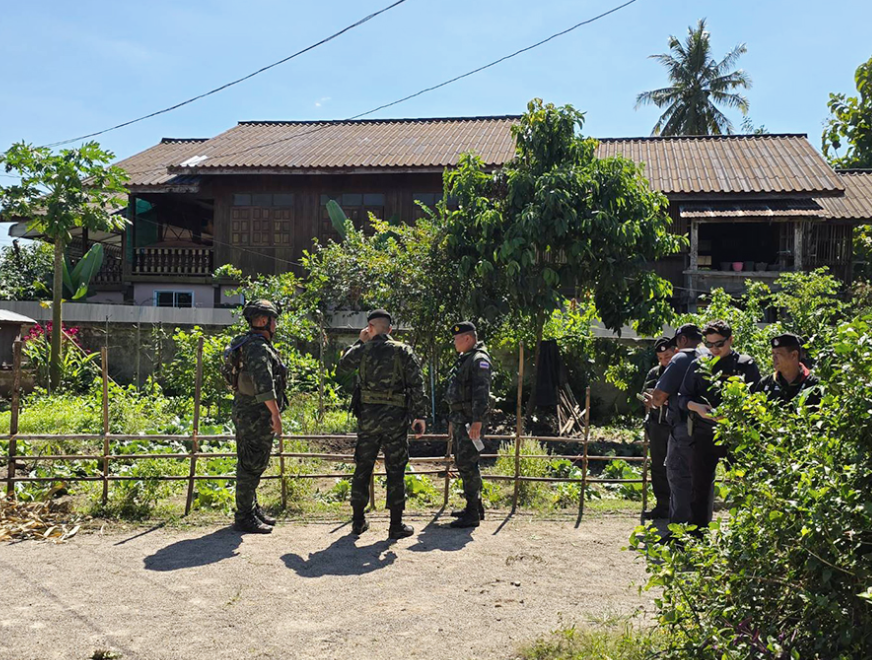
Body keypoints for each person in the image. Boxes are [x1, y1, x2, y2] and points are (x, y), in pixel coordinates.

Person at [338, 309, 427, 539]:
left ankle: (358, 521)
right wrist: (419, 416)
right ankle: (395, 525)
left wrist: (360, 341)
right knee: (395, 469)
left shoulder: (362, 350)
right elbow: (417, 384)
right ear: (390, 329)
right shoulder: (403, 351)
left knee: (363, 466)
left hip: (368, 418)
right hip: (395, 418)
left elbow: (343, 366)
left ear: (369, 328)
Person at [679, 320, 761, 528]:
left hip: (736, 436)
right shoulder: (698, 365)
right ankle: (697, 536)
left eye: (719, 344)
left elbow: (759, 401)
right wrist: (697, 408)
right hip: (704, 435)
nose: (714, 349)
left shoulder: (745, 365)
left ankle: (745, 532)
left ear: (731, 340)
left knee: (744, 487)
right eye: (709, 344)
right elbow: (682, 398)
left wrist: (736, 415)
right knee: (700, 489)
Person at [227, 300, 288, 534]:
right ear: (263, 321)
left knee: (252, 463)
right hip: (256, 414)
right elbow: (264, 385)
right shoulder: (258, 348)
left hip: (248, 411)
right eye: (273, 319)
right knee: (250, 465)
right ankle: (244, 517)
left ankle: (251, 509)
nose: (276, 324)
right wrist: (275, 415)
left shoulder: (246, 343)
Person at [644, 324, 708, 525]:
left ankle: (680, 533)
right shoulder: (713, 357)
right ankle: (699, 530)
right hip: (708, 429)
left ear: (681, 341)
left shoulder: (682, 359)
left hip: (683, 428)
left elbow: (657, 397)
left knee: (679, 478)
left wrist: (657, 400)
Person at [444, 321, 493, 529]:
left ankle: (472, 513)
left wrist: (477, 421)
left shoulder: (479, 360)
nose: (454, 343)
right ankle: (475, 507)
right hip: (462, 419)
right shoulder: (468, 359)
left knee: (467, 464)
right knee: (466, 463)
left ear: (468, 338)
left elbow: (482, 393)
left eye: (457, 339)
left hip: (469, 421)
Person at [641, 337, 676, 520]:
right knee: (657, 466)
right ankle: (662, 505)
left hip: (675, 426)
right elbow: (645, 392)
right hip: (657, 425)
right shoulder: (654, 373)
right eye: (661, 357)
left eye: (667, 356)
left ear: (675, 352)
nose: (664, 361)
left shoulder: (680, 371)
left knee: (677, 466)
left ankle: (678, 506)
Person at [752, 333, 821, 406]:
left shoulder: (813, 385)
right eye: (773, 353)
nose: (774, 358)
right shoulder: (766, 384)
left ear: (794, 355)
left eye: (778, 353)